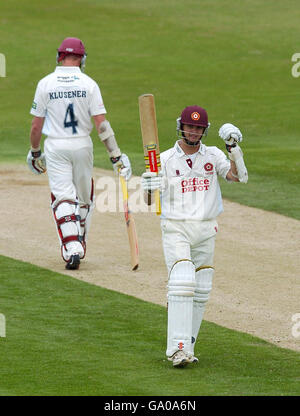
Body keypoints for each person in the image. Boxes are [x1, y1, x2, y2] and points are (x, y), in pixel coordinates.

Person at [141, 105, 248, 367]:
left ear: (204, 130)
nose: (194, 131)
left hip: (206, 228)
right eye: (190, 126)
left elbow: (238, 176)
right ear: (182, 126)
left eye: (199, 128)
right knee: (182, 281)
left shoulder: (212, 155)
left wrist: (233, 149)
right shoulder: (164, 159)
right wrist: (148, 185)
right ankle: (176, 349)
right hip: (176, 227)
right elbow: (149, 201)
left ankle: (188, 346)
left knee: (201, 289)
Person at [27, 37, 131, 270]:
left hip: (56, 146)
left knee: (63, 196)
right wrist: (116, 156)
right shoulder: (89, 84)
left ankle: (72, 244)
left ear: (59, 56)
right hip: (82, 145)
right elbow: (101, 125)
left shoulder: (46, 83)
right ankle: (77, 240)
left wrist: (35, 152)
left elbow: (36, 126)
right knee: (84, 198)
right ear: (82, 59)